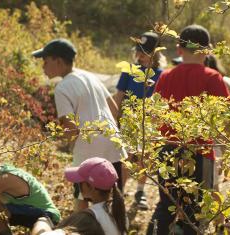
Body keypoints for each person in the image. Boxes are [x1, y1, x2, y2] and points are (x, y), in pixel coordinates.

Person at [147, 25, 230, 235]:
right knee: (195, 213)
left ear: (179, 49)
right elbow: (226, 116)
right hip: (200, 152)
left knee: (165, 206)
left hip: (168, 149)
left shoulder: (166, 76)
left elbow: (153, 114)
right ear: (207, 51)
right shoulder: (212, 77)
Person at [32, 39, 127, 211]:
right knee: (112, 195)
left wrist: (63, 140)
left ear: (59, 61)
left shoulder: (62, 88)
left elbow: (71, 129)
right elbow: (113, 106)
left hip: (88, 147)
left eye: (45, 62)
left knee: (82, 197)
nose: (43, 67)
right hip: (113, 141)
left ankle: (80, 228)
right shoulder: (90, 76)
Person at [114, 31, 167, 210]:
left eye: (145, 51)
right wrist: (115, 118)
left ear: (155, 53)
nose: (140, 55)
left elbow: (161, 101)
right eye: (139, 51)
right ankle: (119, 191)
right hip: (129, 120)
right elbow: (119, 97)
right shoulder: (129, 71)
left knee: (145, 158)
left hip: (149, 123)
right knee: (126, 157)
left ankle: (140, 191)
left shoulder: (161, 75)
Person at [32, 157, 127, 235]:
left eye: (79, 182)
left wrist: (42, 222)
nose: (76, 184)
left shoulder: (87, 219)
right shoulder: (118, 212)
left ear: (90, 187)